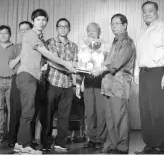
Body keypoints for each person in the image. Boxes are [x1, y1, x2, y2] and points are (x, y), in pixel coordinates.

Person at [14, 9, 77, 154]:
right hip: (26, 75)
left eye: (44, 20)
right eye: (38, 20)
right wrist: (67, 64)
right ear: (32, 21)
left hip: (36, 77)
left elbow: (46, 59)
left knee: (31, 111)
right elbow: (47, 54)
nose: (41, 22)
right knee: (28, 112)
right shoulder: (30, 34)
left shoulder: (40, 37)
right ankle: (24, 145)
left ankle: (20, 143)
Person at [134, 1, 164, 154]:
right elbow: (138, 55)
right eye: (144, 11)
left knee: (158, 110)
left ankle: (158, 144)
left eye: (150, 11)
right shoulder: (140, 31)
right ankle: (149, 144)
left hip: (159, 72)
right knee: (145, 110)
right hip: (144, 73)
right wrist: (136, 73)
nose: (147, 14)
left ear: (157, 12)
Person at [92, 13, 136, 154]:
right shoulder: (114, 42)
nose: (114, 26)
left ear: (125, 25)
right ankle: (112, 144)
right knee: (110, 118)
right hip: (108, 85)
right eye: (112, 24)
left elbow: (116, 64)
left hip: (119, 85)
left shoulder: (127, 43)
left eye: (117, 24)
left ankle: (122, 147)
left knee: (120, 117)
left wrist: (99, 69)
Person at [40, 18, 81, 151]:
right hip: (52, 82)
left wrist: (78, 85)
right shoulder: (49, 42)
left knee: (65, 115)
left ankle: (60, 142)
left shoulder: (74, 46)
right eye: (60, 26)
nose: (63, 29)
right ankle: (46, 143)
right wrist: (68, 67)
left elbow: (76, 65)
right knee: (48, 114)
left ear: (69, 29)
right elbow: (51, 62)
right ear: (57, 28)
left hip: (68, 85)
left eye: (66, 27)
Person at [8, 21, 40, 148]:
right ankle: (13, 139)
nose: (24, 31)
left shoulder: (36, 44)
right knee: (16, 111)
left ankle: (28, 139)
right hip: (18, 78)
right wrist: (23, 54)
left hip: (33, 78)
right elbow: (11, 65)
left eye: (27, 29)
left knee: (30, 110)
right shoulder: (15, 47)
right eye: (22, 30)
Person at [79, 22, 108, 149]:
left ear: (99, 32)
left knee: (101, 112)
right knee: (89, 113)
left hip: (101, 82)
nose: (91, 33)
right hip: (88, 83)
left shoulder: (105, 46)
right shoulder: (83, 47)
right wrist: (78, 84)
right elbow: (80, 66)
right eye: (89, 31)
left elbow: (108, 64)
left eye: (94, 31)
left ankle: (100, 139)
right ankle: (91, 138)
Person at [0, 25, 14, 143]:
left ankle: (11, 133)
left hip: (12, 80)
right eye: (1, 33)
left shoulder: (15, 47)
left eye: (6, 33)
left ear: (10, 34)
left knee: (11, 109)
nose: (3, 35)